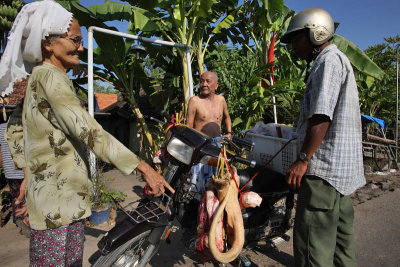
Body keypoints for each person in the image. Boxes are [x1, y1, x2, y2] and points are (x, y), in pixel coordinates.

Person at [0, 1, 174, 266]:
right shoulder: (50, 79)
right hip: (57, 208)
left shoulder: (39, 78)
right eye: (75, 40)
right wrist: (144, 167)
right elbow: (91, 133)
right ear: (48, 43)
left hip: (62, 202)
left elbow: (14, 127)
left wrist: (25, 171)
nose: (81, 47)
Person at [281, 8, 365, 267]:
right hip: (342, 175)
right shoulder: (338, 59)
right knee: (341, 247)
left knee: (312, 248)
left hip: (323, 172)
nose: (293, 46)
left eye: (297, 39)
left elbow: (321, 117)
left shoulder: (327, 62)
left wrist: (303, 158)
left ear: (317, 33)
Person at [186, 71, 232, 193]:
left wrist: (229, 133)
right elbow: (188, 126)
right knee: (197, 184)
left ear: (216, 85)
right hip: (200, 146)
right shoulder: (194, 101)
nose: (204, 84)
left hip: (218, 145)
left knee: (217, 182)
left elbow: (227, 117)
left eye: (208, 81)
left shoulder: (221, 100)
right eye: (201, 81)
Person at [0, 104, 29, 237]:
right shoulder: (24, 129)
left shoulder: (1, 128)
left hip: (10, 171)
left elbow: (1, 152)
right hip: (23, 170)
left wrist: (4, 165)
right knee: (27, 197)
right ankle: (26, 221)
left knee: (17, 196)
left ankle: (20, 220)